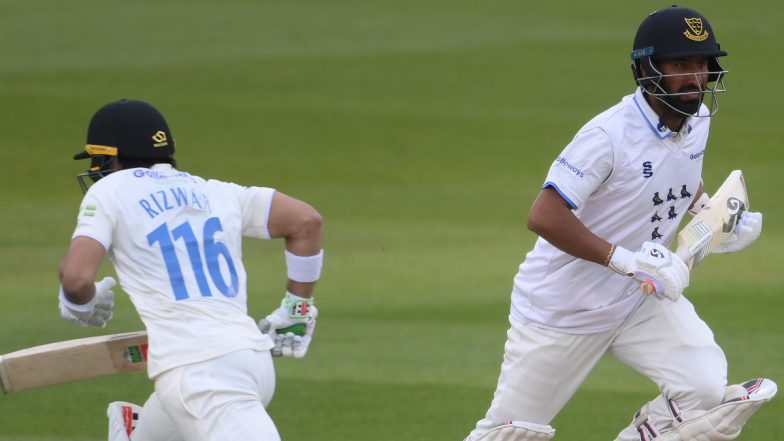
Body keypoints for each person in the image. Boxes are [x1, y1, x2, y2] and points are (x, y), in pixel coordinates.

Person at [465, 6, 775, 441]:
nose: (696, 78)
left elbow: (678, 176)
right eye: (681, 65)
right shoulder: (608, 136)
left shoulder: (697, 120)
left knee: (703, 388)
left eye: (703, 64)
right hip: (565, 307)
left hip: (637, 299)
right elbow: (544, 215)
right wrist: (627, 262)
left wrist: (715, 214)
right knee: (511, 432)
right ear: (648, 70)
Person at [57, 99, 323, 441]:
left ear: (112, 157)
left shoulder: (111, 189)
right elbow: (306, 222)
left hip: (199, 371)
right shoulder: (216, 191)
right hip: (248, 360)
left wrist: (83, 302)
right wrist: (297, 309)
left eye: (98, 160)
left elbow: (76, 277)